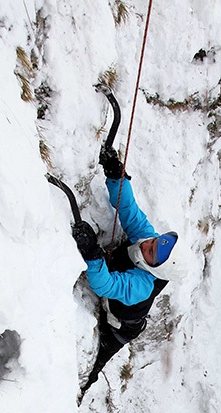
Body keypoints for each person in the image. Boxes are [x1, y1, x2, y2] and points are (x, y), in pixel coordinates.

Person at [72, 146, 180, 391]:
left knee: (93, 365)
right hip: (120, 300)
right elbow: (130, 212)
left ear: (157, 269)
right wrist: (116, 176)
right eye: (155, 241)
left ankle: (82, 390)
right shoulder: (148, 240)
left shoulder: (142, 286)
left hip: (118, 329)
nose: (147, 245)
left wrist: (92, 253)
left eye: (151, 251)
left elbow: (104, 285)